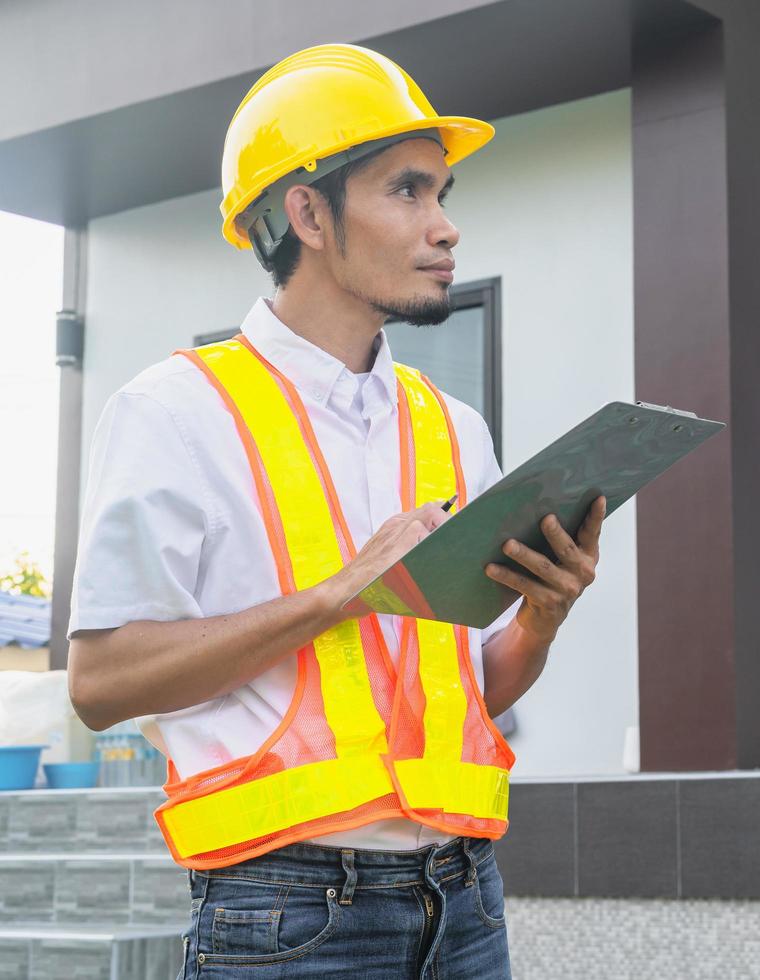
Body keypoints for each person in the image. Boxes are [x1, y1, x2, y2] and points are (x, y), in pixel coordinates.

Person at [65, 43, 602, 979]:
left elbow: (469, 697)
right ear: (308, 212)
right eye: (408, 191)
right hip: (282, 916)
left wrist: (543, 621)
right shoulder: (174, 413)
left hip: (465, 901)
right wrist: (340, 594)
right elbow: (100, 684)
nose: (444, 229)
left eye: (443, 195)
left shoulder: (452, 428)